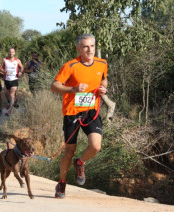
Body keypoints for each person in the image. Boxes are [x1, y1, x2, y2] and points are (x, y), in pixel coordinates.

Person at [50, 34, 108, 199]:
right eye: (85, 47)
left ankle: (80, 162)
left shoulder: (102, 63)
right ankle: (61, 182)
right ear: (79, 49)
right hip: (72, 113)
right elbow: (54, 86)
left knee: (96, 146)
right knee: (69, 150)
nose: (90, 50)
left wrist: (104, 89)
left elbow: (103, 81)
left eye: (92, 46)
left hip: (91, 111)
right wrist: (73, 89)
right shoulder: (70, 66)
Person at [0, 48, 24, 116]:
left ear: (14, 53)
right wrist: (5, 72)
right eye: (10, 52)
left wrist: (20, 72)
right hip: (7, 79)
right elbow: (0, 68)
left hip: (14, 79)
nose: (11, 53)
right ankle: (11, 102)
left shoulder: (17, 60)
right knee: (6, 93)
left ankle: (10, 110)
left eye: (12, 52)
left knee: (11, 94)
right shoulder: (5, 60)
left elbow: (22, 67)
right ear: (8, 52)